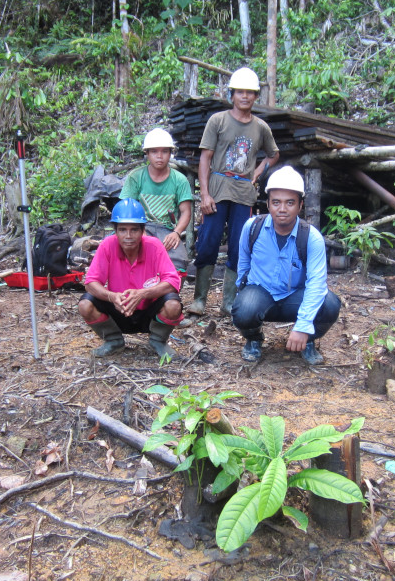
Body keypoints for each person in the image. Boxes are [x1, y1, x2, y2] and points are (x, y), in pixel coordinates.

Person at [190, 66, 280, 317]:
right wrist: (205, 194)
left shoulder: (261, 127)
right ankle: (199, 300)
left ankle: (228, 303)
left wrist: (257, 173)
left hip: (243, 192)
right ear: (231, 94)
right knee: (208, 241)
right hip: (218, 189)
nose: (245, 96)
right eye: (240, 92)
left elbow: (273, 155)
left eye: (250, 92)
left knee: (239, 247)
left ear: (255, 97)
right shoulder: (217, 121)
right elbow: (205, 159)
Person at [231, 166, 341, 365]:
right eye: (276, 202)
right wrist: (243, 292)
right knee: (244, 308)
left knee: (330, 304)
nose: (282, 209)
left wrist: (303, 325)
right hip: (260, 292)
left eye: (290, 203)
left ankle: (308, 340)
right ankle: (254, 338)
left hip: (294, 297)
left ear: (300, 205)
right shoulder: (252, 227)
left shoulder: (311, 237)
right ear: (268, 204)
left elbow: (317, 283)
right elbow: (243, 263)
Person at [79, 199, 183, 361]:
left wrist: (143, 293)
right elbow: (91, 283)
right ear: (115, 231)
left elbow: (173, 281)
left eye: (134, 230)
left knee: (173, 305)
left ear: (142, 231)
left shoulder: (154, 246)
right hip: (117, 310)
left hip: (149, 311)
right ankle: (113, 341)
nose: (128, 236)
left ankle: (158, 340)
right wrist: (112, 296)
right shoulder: (107, 245)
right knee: (85, 305)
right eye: (122, 230)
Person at [119, 128, 193, 272]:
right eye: (154, 151)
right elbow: (125, 208)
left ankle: (169, 293)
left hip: (166, 229)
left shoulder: (179, 180)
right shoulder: (136, 177)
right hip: (138, 226)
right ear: (147, 153)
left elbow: (186, 212)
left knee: (178, 261)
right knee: (117, 252)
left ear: (170, 153)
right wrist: (138, 231)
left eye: (164, 151)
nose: (159, 156)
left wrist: (176, 233)